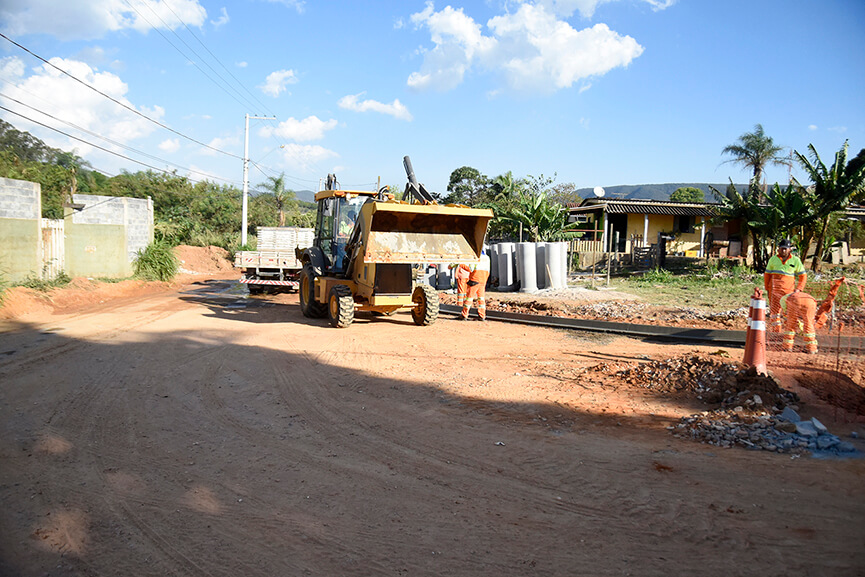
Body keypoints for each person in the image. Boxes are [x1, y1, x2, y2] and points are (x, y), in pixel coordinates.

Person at [764, 239, 806, 332]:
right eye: (782, 248)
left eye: (786, 249)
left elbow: (803, 276)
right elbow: (767, 275)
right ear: (778, 249)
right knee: (774, 314)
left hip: (789, 293)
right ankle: (776, 333)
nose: (783, 251)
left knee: (789, 313)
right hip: (774, 292)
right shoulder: (773, 259)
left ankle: (789, 333)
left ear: (790, 249)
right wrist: (767, 288)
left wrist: (799, 289)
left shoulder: (795, 260)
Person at [461, 250, 491, 321]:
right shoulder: (487, 258)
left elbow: (470, 269)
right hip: (483, 279)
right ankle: (482, 315)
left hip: (475, 279)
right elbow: (488, 270)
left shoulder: (475, 257)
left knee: (469, 298)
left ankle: (464, 315)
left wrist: (460, 264)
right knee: (481, 298)